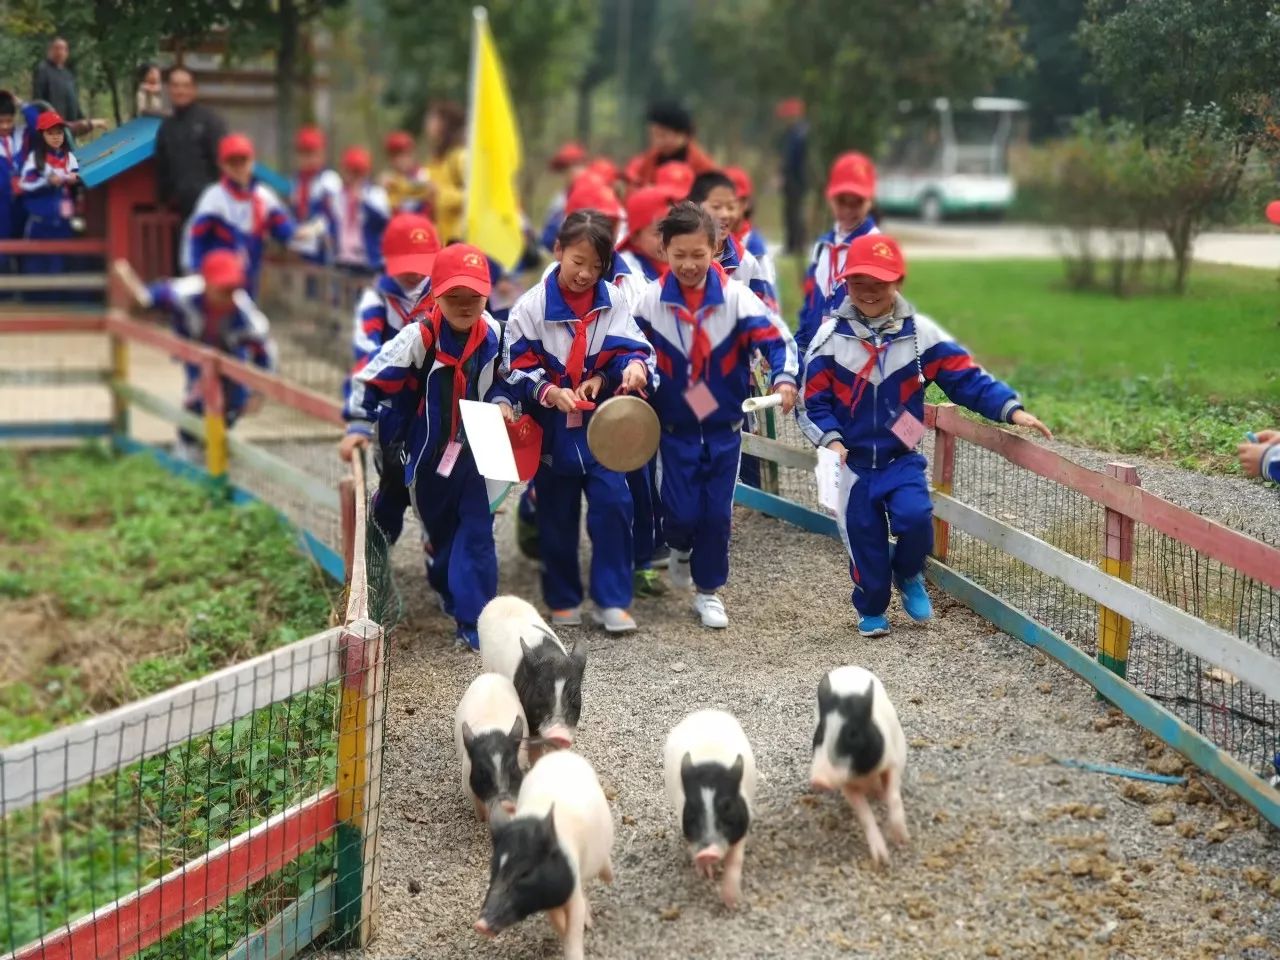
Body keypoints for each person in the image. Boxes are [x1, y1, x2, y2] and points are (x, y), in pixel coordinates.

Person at [798, 234, 1051, 638]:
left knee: (916, 520)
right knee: (865, 543)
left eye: (879, 283)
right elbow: (812, 401)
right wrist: (830, 440)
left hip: (901, 457)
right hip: (853, 464)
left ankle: (910, 573)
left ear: (898, 281)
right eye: (858, 282)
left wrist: (1011, 409)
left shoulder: (920, 334)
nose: (868, 293)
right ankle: (872, 607)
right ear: (846, 284)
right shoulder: (830, 340)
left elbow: (964, 377)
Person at [631, 202, 798, 629]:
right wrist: (630, 367)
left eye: (698, 255)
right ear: (664, 251)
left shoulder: (737, 300)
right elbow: (628, 345)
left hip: (725, 429)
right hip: (674, 430)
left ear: (716, 248)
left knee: (717, 515)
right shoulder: (650, 301)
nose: (689, 264)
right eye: (679, 254)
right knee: (681, 514)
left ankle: (709, 592)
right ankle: (679, 546)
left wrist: (784, 379)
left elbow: (778, 340)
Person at [494, 211, 655, 632]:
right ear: (558, 251)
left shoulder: (613, 300)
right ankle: (563, 598)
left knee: (615, 506)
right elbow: (512, 368)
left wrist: (621, 371)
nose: (585, 274)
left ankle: (613, 600)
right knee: (556, 515)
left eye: (596, 265)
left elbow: (633, 348)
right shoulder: (530, 307)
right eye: (577, 261)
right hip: (552, 434)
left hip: (602, 428)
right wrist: (548, 391)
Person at [342, 243, 504, 651]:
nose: (465, 306)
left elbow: (512, 377)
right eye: (454, 297)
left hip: (475, 449)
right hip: (424, 451)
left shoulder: (497, 335)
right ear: (436, 295)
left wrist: (506, 402)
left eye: (474, 297)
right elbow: (371, 379)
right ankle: (438, 577)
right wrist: (359, 423)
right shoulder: (420, 336)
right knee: (439, 527)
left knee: (479, 531)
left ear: (488, 294)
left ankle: (476, 619)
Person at [115, 250, 276, 462]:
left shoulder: (246, 317)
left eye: (232, 289)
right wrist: (133, 288)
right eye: (222, 289)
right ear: (206, 283)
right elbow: (148, 299)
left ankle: (215, 447)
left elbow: (265, 353)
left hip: (231, 357)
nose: (228, 296)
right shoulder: (184, 293)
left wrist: (259, 392)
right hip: (196, 352)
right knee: (197, 400)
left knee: (234, 403)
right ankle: (188, 449)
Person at [346, 212, 442, 543]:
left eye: (422, 261)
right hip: (394, 406)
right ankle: (376, 553)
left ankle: (438, 558)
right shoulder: (377, 301)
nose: (414, 271)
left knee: (439, 489)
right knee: (394, 481)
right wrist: (360, 417)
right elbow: (365, 359)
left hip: (440, 402)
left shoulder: (445, 293)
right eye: (405, 262)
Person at [182, 133, 310, 298]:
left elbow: (282, 227)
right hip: (219, 277)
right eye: (232, 162)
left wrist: (299, 233)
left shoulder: (263, 196)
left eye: (243, 160)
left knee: (246, 315)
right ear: (222, 165)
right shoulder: (213, 198)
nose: (238, 167)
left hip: (249, 274)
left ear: (252, 162)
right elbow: (196, 237)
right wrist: (195, 269)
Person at [795, 151, 881, 356]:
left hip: (853, 365)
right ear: (830, 198)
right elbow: (810, 307)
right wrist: (798, 352)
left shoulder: (877, 248)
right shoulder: (822, 246)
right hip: (815, 361)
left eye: (857, 202)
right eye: (842, 201)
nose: (849, 210)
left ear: (870, 200)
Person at [156, 66, 227, 268]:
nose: (180, 91)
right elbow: (162, 169)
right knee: (185, 263)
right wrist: (161, 201)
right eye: (176, 86)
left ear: (194, 89)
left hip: (212, 208)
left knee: (213, 262)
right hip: (181, 210)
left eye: (185, 86)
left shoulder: (210, 121)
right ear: (169, 90)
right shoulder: (166, 128)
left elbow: (222, 163)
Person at [687, 170, 777, 311]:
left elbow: (767, 315)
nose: (725, 214)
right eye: (716, 207)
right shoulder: (677, 255)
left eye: (731, 207)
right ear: (693, 207)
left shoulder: (746, 262)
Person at [19, 110, 80, 281]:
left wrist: (72, 178)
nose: (55, 137)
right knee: (36, 266)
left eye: (59, 133)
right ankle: (34, 303)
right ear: (41, 135)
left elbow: (75, 175)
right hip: (40, 221)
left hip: (62, 221)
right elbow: (25, 183)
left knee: (60, 265)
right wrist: (46, 180)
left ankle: (60, 302)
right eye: (50, 133)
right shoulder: (35, 159)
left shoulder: (69, 157)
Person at [320, 146, 391, 274]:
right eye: (350, 171)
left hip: (368, 262)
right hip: (343, 260)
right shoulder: (338, 196)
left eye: (358, 172)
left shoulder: (375, 194)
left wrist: (363, 202)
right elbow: (333, 221)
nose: (353, 177)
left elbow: (383, 221)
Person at [628, 101, 716, 188]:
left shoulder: (702, 166)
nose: (657, 141)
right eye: (653, 135)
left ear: (683, 135)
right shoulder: (648, 161)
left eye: (662, 135)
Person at [31, 38, 106, 136]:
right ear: (50, 51)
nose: (60, 52)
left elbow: (74, 101)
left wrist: (82, 120)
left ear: (67, 53)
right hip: (52, 128)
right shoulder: (42, 70)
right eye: (57, 48)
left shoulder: (68, 74)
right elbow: (38, 100)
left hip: (70, 128)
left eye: (63, 49)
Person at [724, 165, 777, 296]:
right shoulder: (711, 240)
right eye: (718, 204)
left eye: (731, 202)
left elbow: (768, 302)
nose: (724, 211)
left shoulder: (756, 249)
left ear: (745, 204)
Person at [423, 101, 467, 242]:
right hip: (440, 240)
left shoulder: (460, 157)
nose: (427, 124)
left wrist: (440, 194)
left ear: (445, 125)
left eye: (432, 119)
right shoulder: (435, 160)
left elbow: (474, 198)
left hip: (460, 240)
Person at [540, 141, 588, 253]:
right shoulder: (560, 198)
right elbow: (547, 239)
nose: (565, 174)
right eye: (562, 170)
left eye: (575, 166)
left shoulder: (593, 194)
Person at [777, 97, 809, 255]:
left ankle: (795, 246)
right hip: (795, 179)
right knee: (792, 212)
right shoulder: (795, 132)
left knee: (794, 213)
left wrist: (783, 175)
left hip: (795, 179)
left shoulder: (798, 133)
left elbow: (791, 159)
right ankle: (794, 245)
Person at [0, 92, 24, 276]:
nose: (5, 126)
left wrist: (21, 104)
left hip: (22, 204)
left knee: (24, 251)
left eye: (9, 121)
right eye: (0, 122)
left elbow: (41, 123)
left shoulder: (22, 136)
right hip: (2, 207)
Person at [381, 130, 433, 214]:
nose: (402, 159)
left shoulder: (425, 173)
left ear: (413, 153)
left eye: (406, 153)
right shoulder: (390, 182)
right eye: (396, 155)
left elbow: (428, 187)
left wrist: (399, 186)